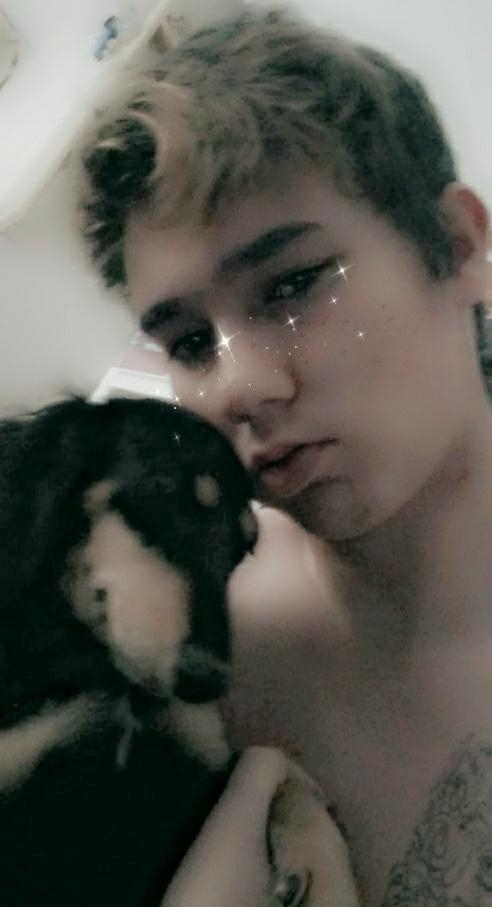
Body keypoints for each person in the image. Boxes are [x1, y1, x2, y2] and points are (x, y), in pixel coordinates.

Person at [78, 6, 492, 904]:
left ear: (459, 247)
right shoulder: (197, 670)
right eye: (190, 343)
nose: (238, 385)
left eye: (294, 285)